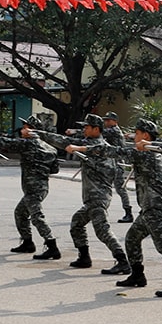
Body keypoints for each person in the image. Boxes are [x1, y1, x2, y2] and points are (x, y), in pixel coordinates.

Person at [114, 119, 162, 297]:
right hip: (148, 210)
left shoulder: (146, 156)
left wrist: (83, 149)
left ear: (146, 136)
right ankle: (138, 275)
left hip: (154, 210)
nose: (134, 136)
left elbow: (115, 151)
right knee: (132, 239)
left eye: (137, 133)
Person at [47, 116, 128, 275]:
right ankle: (84, 258)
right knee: (77, 223)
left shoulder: (98, 146)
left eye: (87, 127)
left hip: (98, 197)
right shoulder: (95, 145)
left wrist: (38, 134)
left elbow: (63, 141)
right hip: (93, 197)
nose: (84, 130)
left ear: (96, 129)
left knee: (102, 230)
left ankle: (123, 261)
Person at [0, 117, 61, 260]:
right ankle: (27, 243)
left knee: (37, 217)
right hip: (42, 187)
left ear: (33, 129)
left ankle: (52, 246)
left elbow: (4, 143)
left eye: (25, 127)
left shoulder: (27, 144)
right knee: (20, 212)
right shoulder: (50, 148)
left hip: (33, 188)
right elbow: (54, 169)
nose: (22, 129)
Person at [102, 111, 135, 223]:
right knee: (106, 187)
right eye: (105, 120)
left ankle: (128, 213)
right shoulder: (111, 130)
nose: (106, 122)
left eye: (108, 120)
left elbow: (99, 133)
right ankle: (101, 211)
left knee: (120, 189)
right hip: (111, 163)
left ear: (115, 121)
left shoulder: (114, 131)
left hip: (116, 164)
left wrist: (75, 131)